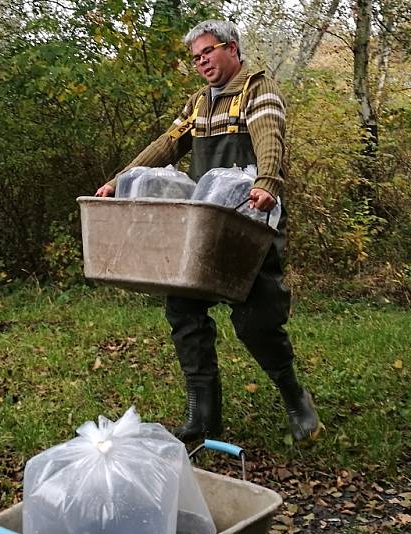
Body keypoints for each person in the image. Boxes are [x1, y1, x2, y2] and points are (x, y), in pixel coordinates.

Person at [95, 20, 322, 444]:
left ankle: (295, 398)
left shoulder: (258, 89)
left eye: (208, 52)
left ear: (231, 49)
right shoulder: (198, 103)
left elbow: (269, 138)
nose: (202, 62)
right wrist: (119, 180)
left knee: (256, 319)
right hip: (201, 224)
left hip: (249, 219)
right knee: (184, 312)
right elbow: (167, 144)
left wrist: (267, 182)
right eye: (196, 57)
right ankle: (204, 417)